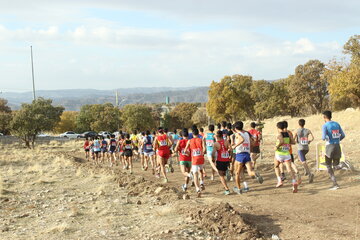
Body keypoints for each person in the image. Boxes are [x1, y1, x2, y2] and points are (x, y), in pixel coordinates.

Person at [232, 121, 263, 194]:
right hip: (247, 154)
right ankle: (255, 174)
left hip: (240, 155)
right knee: (250, 171)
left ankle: (239, 188)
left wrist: (235, 146)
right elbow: (254, 140)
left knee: (237, 173)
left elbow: (241, 140)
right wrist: (250, 146)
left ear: (236, 128)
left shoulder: (237, 134)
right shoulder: (247, 133)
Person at [322, 110, 346, 190]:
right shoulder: (337, 124)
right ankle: (341, 166)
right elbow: (342, 135)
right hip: (337, 146)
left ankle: (335, 184)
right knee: (335, 166)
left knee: (328, 166)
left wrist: (327, 138)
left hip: (329, 147)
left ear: (324, 117)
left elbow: (323, 137)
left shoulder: (325, 125)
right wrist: (337, 140)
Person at [274, 121, 299, 193]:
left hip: (279, 153)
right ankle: (294, 182)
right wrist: (287, 143)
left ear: (278, 128)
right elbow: (293, 142)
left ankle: (279, 181)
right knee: (289, 169)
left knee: (276, 166)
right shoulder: (288, 134)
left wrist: (277, 146)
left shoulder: (279, 134)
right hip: (287, 154)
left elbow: (281, 141)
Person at [184, 128, 206, 197]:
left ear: (192, 134)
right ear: (198, 134)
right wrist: (202, 153)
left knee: (195, 174)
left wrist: (188, 153)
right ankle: (202, 182)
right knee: (201, 170)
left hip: (194, 159)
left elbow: (185, 151)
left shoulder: (189, 141)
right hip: (201, 158)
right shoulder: (201, 140)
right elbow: (204, 149)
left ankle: (197, 189)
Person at [210, 130, 231, 195]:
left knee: (221, 176)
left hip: (220, 160)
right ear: (222, 135)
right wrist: (229, 155)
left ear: (216, 136)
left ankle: (227, 189)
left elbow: (213, 153)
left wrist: (213, 159)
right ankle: (227, 170)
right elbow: (230, 149)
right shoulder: (226, 142)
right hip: (226, 159)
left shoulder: (216, 143)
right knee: (224, 171)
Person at [294, 119, 315, 183]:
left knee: (303, 162)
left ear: (298, 124)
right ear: (304, 124)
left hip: (300, 148)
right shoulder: (308, 130)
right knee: (300, 158)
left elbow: (293, 139)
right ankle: (306, 170)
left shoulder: (297, 131)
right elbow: (313, 138)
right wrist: (309, 141)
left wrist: (296, 142)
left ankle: (310, 174)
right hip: (306, 148)